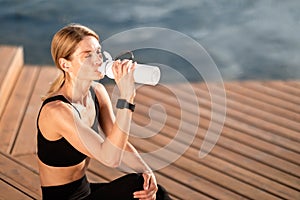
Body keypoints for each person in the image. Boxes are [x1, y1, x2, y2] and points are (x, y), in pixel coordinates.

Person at [36, 23, 171, 200]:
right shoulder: (57, 111)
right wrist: (127, 98)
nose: (98, 59)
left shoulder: (97, 92)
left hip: (85, 190)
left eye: (98, 52)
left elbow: (118, 143)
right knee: (137, 186)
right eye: (88, 56)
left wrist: (145, 170)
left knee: (153, 190)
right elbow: (111, 158)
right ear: (65, 64)